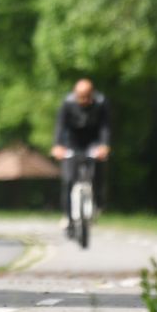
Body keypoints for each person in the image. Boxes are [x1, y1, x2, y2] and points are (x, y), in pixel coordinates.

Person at [51, 77, 112, 236]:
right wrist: (58, 146)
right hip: (72, 141)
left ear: (92, 94)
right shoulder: (68, 103)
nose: (83, 100)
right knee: (69, 179)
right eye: (80, 96)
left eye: (86, 96)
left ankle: (97, 204)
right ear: (75, 94)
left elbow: (105, 126)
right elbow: (60, 125)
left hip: (93, 141)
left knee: (98, 172)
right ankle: (68, 216)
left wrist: (104, 145)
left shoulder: (101, 103)